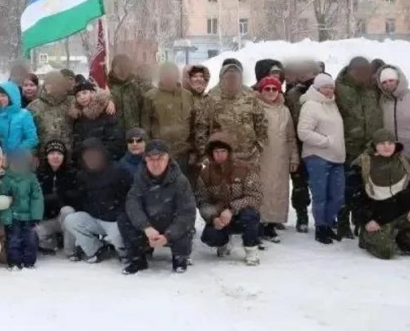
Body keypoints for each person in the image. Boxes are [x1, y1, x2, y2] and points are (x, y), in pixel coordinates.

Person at [352, 129, 410, 260]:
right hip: (377, 218)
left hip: (404, 213)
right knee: (386, 252)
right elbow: (355, 197)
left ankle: (403, 241)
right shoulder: (362, 164)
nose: (387, 147)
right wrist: (366, 220)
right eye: (382, 143)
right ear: (374, 145)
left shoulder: (407, 161)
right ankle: (367, 239)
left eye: (390, 143)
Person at [120, 140, 197, 275]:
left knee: (184, 225)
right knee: (124, 219)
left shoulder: (180, 181)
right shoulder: (139, 178)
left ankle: (180, 258)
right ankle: (138, 260)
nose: (155, 163)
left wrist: (168, 235)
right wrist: (146, 227)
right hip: (150, 223)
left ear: (168, 158)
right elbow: (132, 204)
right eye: (151, 159)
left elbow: (187, 213)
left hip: (171, 222)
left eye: (160, 158)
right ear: (145, 160)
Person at [195, 133, 263, 265]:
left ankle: (251, 249)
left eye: (223, 151)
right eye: (216, 152)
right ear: (211, 153)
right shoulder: (205, 173)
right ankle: (224, 242)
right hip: (219, 215)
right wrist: (213, 218)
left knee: (250, 216)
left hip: (241, 213)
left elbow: (255, 196)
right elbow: (202, 200)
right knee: (210, 238)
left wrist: (232, 209)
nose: (219, 155)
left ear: (229, 152)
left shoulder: (245, 168)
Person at [334, 57, 383, 239]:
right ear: (351, 71)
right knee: (346, 188)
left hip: (370, 147)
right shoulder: (339, 88)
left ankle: (361, 222)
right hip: (349, 147)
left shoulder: (372, 89)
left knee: (367, 188)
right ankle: (343, 222)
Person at [297, 73, 346, 245]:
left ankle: (328, 223)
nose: (328, 90)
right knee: (321, 196)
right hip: (317, 157)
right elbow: (303, 132)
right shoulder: (310, 105)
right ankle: (321, 227)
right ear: (317, 88)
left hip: (337, 157)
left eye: (331, 87)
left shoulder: (333, 104)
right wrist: (326, 141)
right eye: (325, 87)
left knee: (337, 196)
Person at [63, 139, 131, 262]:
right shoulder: (82, 175)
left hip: (116, 220)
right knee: (71, 220)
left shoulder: (118, 171)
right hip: (95, 219)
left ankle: (125, 252)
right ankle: (96, 249)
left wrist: (123, 215)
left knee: (119, 238)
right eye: (87, 156)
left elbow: (131, 196)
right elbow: (80, 198)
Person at [195, 63, 267, 167]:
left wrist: (259, 147)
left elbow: (261, 123)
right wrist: (204, 154)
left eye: (235, 78)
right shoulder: (211, 97)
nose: (232, 81)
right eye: (228, 78)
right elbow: (201, 127)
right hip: (220, 158)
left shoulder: (249, 95)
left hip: (248, 157)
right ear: (222, 79)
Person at [254, 76, 298, 240]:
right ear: (261, 91)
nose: (271, 92)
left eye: (275, 89)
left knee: (278, 191)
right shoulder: (256, 108)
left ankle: (271, 224)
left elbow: (291, 136)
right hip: (262, 156)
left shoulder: (284, 110)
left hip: (281, 157)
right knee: (262, 189)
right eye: (267, 89)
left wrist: (294, 157)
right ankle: (258, 224)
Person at [141, 62, 197, 177]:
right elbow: (145, 127)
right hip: (160, 155)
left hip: (183, 154)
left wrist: (193, 150)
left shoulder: (187, 96)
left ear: (177, 76)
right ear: (160, 76)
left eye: (172, 75)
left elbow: (194, 125)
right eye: (166, 75)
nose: (169, 78)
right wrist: (149, 152)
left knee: (182, 185)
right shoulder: (150, 97)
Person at [284, 60, 317, 231]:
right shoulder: (292, 94)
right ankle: (302, 215)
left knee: (319, 184)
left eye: (309, 72)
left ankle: (323, 216)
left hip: (319, 145)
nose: (305, 75)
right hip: (298, 144)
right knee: (299, 185)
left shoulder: (324, 90)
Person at [0, 149, 43, 269]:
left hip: (29, 217)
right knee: (13, 240)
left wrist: (36, 216)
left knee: (30, 240)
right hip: (13, 216)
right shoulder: (6, 180)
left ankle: (29, 262)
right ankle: (14, 262)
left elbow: (37, 198)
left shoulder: (31, 178)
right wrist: (6, 217)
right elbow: (3, 199)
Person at [34, 139, 78, 255]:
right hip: (46, 219)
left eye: (59, 153)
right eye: (52, 153)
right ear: (46, 156)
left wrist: (61, 197)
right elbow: (35, 199)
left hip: (64, 218)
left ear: (64, 156)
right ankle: (52, 243)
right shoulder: (39, 174)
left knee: (68, 211)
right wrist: (50, 199)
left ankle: (71, 251)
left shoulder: (71, 173)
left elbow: (76, 197)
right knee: (32, 234)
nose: (55, 157)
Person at [69, 80, 123, 162]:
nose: (82, 97)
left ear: (92, 93)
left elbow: (115, 140)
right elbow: (78, 143)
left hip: (106, 160)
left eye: (84, 93)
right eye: (78, 95)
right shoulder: (78, 116)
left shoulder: (106, 111)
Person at [107, 54, 151, 135]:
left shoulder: (135, 85)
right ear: (113, 68)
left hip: (135, 134)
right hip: (115, 134)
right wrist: (109, 100)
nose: (122, 72)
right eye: (119, 68)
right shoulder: (107, 86)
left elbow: (145, 106)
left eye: (125, 68)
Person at [0, 81, 37, 153]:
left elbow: (32, 139)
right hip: (0, 157)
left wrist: (17, 151)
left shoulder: (24, 115)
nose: (0, 99)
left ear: (11, 96)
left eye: (3, 95)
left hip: (20, 156)